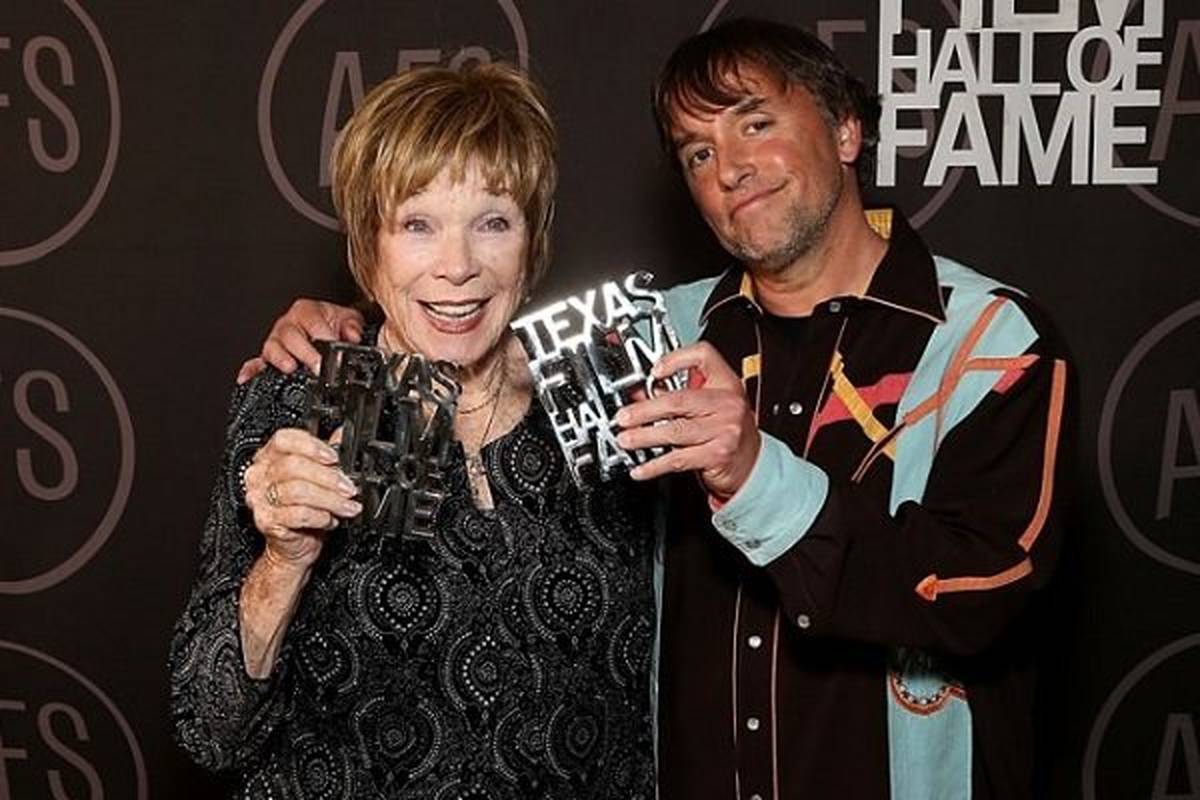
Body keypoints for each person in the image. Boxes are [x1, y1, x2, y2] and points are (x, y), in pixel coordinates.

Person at [251, 19, 1071, 799]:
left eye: (756, 124)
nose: (730, 168)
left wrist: (755, 473)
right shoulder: (652, 334)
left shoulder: (990, 342)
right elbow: (465, 331)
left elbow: (985, 594)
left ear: (847, 130)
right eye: (697, 152)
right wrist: (344, 328)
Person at [170, 63, 657, 799]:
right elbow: (208, 730)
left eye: (493, 222)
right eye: (417, 225)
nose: (458, 267)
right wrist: (284, 560)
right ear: (369, 248)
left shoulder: (604, 388)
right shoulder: (297, 402)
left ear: (532, 243)